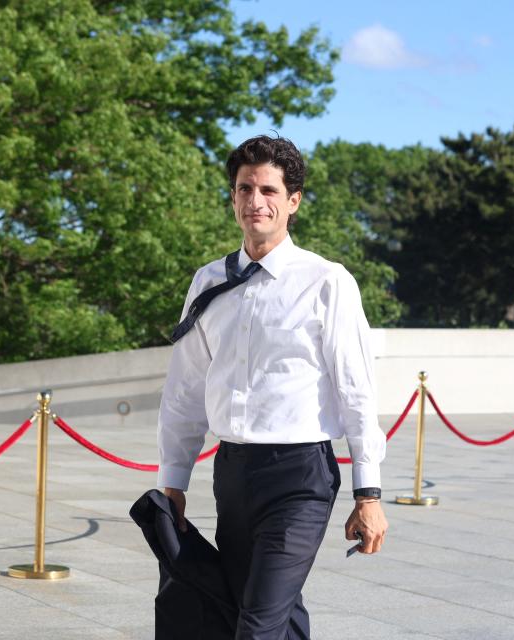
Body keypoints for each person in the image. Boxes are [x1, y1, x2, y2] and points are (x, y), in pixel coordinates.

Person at [157, 134, 388, 639]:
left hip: (300, 477)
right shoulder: (208, 282)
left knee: (257, 624)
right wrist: (172, 482)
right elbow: (185, 392)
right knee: (262, 610)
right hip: (233, 472)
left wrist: (367, 493)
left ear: (293, 201)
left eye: (268, 190)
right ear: (233, 196)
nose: (254, 201)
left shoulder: (326, 282)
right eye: (244, 188)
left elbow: (357, 391)